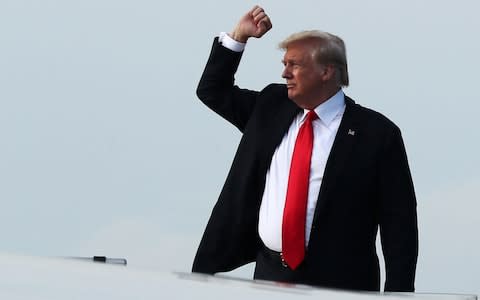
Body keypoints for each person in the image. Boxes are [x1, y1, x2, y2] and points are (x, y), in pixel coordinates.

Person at [192, 5, 418, 292]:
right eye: (284, 64)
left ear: (327, 71)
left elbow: (399, 223)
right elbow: (212, 90)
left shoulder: (377, 134)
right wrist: (239, 37)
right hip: (269, 275)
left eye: (294, 65)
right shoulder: (270, 106)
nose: (285, 73)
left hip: (342, 284)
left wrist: (399, 294)